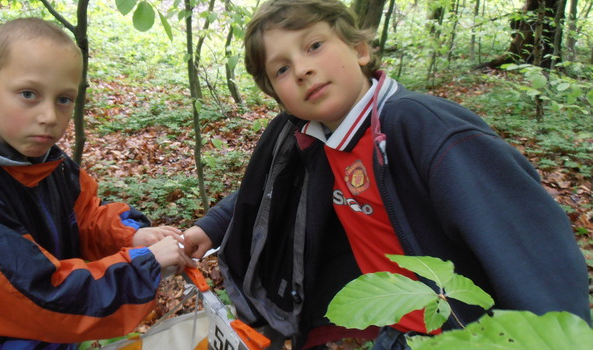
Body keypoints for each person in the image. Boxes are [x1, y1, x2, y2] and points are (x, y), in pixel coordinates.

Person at [183, 0, 590, 349]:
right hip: (399, 326)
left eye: (315, 46)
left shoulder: (424, 132)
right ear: (277, 96)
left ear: (360, 49)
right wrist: (214, 225)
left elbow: (534, 248)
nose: (303, 69)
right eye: (282, 70)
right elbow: (272, 191)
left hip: (463, 332)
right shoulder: (318, 139)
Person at [0, 18, 194, 349]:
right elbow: (44, 295)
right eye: (28, 94)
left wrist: (133, 236)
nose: (49, 115)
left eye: (63, 99)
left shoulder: (49, 165)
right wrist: (145, 262)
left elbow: (84, 217)